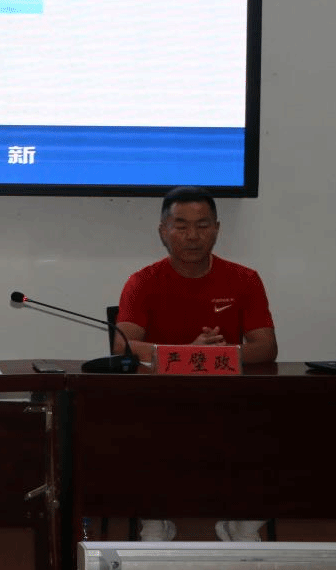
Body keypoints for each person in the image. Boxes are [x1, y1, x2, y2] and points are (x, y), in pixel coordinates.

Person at [114, 186, 277, 543]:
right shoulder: (142, 282)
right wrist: (189, 354)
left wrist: (216, 356)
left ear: (216, 229)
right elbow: (123, 347)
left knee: (278, 426)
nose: (192, 236)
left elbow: (266, 347)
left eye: (202, 226)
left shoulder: (244, 279)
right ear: (163, 231)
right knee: (137, 428)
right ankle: (154, 519)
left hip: (229, 400)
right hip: (162, 400)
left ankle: (244, 522)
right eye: (181, 226)